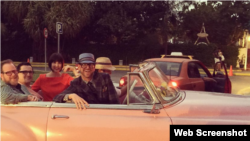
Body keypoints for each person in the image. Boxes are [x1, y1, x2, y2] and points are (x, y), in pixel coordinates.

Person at [53, 53, 119, 110]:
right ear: (78, 67)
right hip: (88, 116)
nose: (87, 67)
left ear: (94, 67)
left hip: (106, 115)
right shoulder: (76, 83)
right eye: (84, 64)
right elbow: (56, 97)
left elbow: (115, 102)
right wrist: (71, 95)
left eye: (90, 64)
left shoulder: (105, 78)